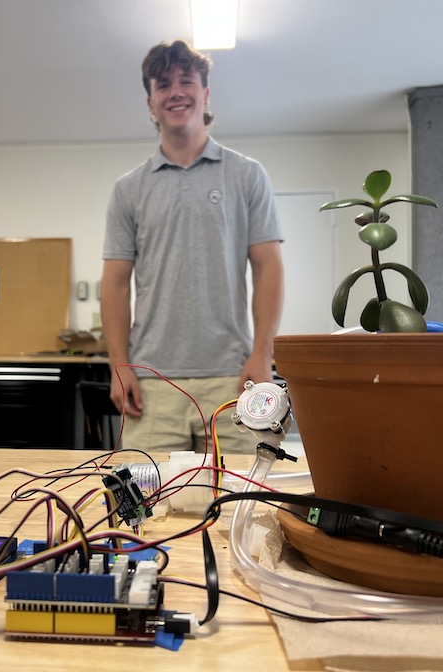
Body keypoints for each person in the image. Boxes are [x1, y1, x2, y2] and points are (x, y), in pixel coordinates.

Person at [100, 39, 284, 454]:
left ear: (206, 94)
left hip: (233, 376)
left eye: (187, 80)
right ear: (151, 101)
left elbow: (269, 267)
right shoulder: (129, 189)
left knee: (240, 504)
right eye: (164, 84)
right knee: (146, 510)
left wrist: (263, 354)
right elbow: (114, 284)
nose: (176, 91)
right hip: (150, 382)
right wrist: (119, 365)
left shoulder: (247, 176)